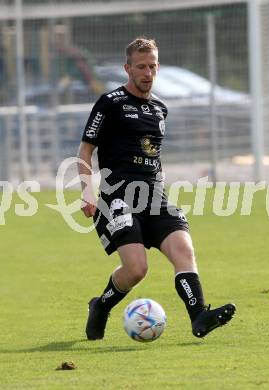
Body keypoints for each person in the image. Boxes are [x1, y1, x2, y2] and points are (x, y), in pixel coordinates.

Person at [78, 37, 236, 341]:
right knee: (136, 269)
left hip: (155, 196)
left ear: (158, 67)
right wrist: (87, 191)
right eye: (141, 66)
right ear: (128, 68)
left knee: (184, 249)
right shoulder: (110, 103)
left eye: (152, 66)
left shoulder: (160, 109)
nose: (147, 72)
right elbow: (85, 151)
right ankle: (100, 306)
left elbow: (154, 157)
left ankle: (199, 316)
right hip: (118, 196)